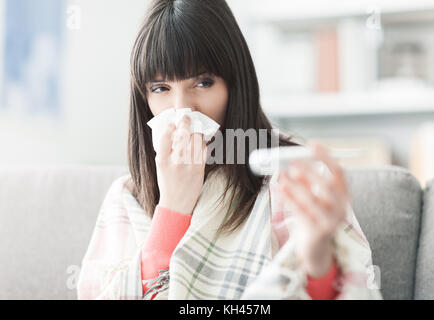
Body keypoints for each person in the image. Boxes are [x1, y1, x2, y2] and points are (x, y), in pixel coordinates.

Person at [77, 0, 382, 300]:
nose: (182, 111)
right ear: (144, 100)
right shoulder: (127, 196)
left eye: (203, 83)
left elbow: (354, 286)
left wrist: (318, 261)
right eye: (161, 89)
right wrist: (172, 208)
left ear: (234, 84)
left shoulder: (291, 176)